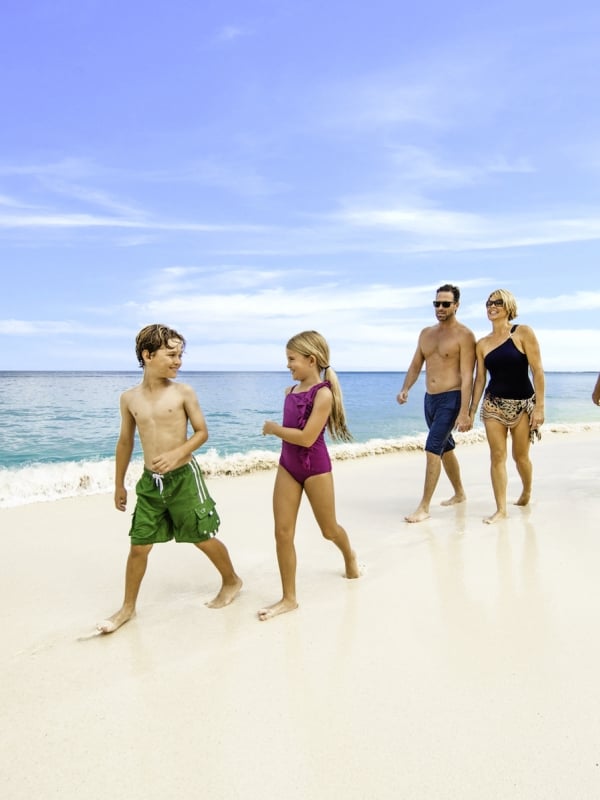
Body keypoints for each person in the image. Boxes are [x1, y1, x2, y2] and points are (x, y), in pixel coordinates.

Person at [97, 324, 242, 634]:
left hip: (184, 479)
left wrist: (178, 454)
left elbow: (202, 432)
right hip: (151, 483)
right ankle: (128, 608)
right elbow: (125, 442)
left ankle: (232, 580)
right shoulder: (129, 398)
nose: (178, 361)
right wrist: (119, 483)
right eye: (171, 354)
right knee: (139, 546)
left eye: (180, 355)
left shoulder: (183, 392)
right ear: (147, 355)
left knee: (200, 537)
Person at [259, 331, 360, 621]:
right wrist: (279, 432)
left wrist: (274, 429)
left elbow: (305, 438)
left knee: (328, 530)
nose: (288, 365)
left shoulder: (324, 393)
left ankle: (349, 555)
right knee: (282, 532)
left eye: (292, 359)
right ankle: (289, 598)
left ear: (311, 359)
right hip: (288, 466)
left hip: (315, 468)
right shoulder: (289, 393)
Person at [397, 284, 476, 523]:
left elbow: (467, 377)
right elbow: (415, 365)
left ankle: (424, 507)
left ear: (456, 305)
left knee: (432, 447)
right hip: (429, 400)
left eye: (445, 304)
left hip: (451, 399)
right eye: (436, 303)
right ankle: (460, 493)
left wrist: (465, 412)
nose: (440, 308)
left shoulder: (465, 335)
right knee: (446, 447)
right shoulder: (426, 334)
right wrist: (405, 388)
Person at [469, 289, 545, 524]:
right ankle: (501, 509)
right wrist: (470, 411)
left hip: (523, 405)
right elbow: (480, 379)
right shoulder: (481, 344)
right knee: (497, 456)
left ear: (508, 305)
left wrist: (540, 407)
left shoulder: (522, 332)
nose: (492, 306)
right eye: (489, 303)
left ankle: (526, 491)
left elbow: (538, 370)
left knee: (520, 456)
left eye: (498, 302)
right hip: (493, 405)